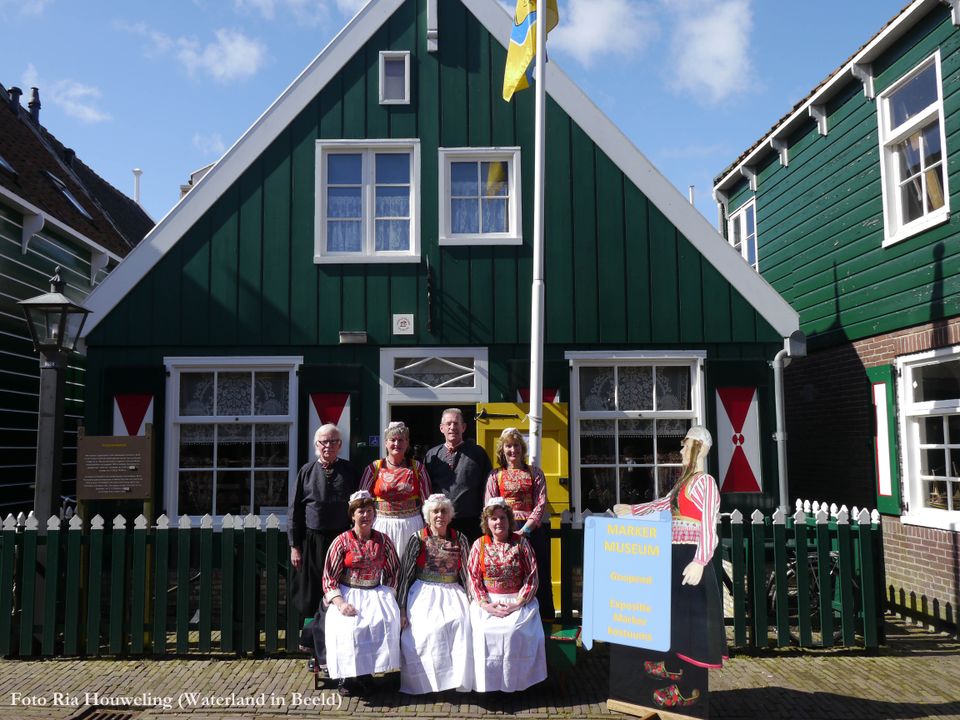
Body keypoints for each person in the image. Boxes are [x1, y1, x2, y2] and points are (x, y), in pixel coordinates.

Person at [614, 425, 727, 710]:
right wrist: (633, 510)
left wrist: (700, 561)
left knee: (692, 624)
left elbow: (709, 525)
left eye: (684, 443)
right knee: (676, 617)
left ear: (698, 446)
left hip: (690, 559)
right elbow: (664, 505)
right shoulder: (684, 482)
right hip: (676, 556)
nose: (680, 449)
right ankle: (674, 666)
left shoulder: (705, 483)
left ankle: (689, 690)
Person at [288, 424, 359, 664]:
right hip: (312, 541)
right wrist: (294, 546)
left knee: (339, 593)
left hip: (341, 542)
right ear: (316, 445)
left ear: (340, 444)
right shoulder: (306, 471)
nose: (328, 446)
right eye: (323, 442)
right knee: (311, 596)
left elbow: (358, 509)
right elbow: (295, 510)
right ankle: (313, 649)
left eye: (333, 442)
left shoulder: (350, 470)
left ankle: (339, 648)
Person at [322, 490, 401, 696]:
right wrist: (340, 603)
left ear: (374, 514)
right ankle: (346, 676)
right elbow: (329, 577)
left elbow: (394, 571)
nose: (365, 515)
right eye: (360, 511)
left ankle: (366, 673)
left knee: (379, 623)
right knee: (347, 628)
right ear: (352, 515)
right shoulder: (341, 541)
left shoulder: (384, 541)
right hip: (348, 592)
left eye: (369, 511)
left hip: (375, 590)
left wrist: (388, 594)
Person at [467, 497, 546, 693]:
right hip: (489, 601)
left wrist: (518, 603)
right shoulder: (480, 545)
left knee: (513, 632)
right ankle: (489, 687)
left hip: (517, 600)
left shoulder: (521, 544)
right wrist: (485, 604)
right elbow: (473, 578)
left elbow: (532, 576)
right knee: (484, 631)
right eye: (493, 519)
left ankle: (517, 685)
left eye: (502, 518)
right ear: (487, 522)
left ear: (509, 520)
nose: (498, 523)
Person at [397, 493, 473, 694]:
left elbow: (467, 574)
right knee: (425, 629)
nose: (440, 515)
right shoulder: (418, 538)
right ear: (427, 516)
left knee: (460, 624)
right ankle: (426, 683)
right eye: (435, 511)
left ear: (450, 515)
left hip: (452, 592)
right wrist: (402, 609)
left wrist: (473, 601)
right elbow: (404, 575)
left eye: (444, 511)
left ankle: (453, 680)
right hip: (423, 592)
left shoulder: (461, 539)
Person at [484, 427, 554, 619]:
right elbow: (490, 507)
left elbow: (540, 504)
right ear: (502, 449)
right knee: (510, 574)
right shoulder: (494, 475)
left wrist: (525, 529)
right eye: (508, 446)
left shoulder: (535, 473)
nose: (512, 450)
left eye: (516, 445)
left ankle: (543, 619)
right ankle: (508, 614)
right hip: (504, 532)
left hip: (531, 531)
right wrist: (504, 531)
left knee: (536, 573)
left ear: (522, 449)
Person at [360, 421, 432, 558]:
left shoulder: (418, 468)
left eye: (401, 440)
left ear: (407, 443)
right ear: (386, 443)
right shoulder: (374, 468)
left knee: (409, 564)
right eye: (392, 440)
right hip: (382, 525)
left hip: (411, 524)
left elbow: (428, 502)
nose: (397, 444)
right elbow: (360, 502)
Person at [425, 408, 492, 543]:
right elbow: (426, 488)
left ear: (464, 427)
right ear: (441, 428)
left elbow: (488, 488)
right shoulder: (432, 455)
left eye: (456, 423)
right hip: (440, 523)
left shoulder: (478, 453)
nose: (452, 427)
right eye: (448, 424)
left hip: (471, 522)